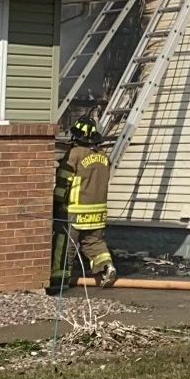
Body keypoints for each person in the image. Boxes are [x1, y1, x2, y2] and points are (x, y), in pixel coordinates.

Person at [52, 116, 117, 288]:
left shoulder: (74, 154)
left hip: (75, 211)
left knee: (65, 244)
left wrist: (57, 203)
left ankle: (59, 281)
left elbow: (63, 181)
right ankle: (106, 267)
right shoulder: (104, 157)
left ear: (76, 136)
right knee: (94, 243)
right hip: (98, 212)